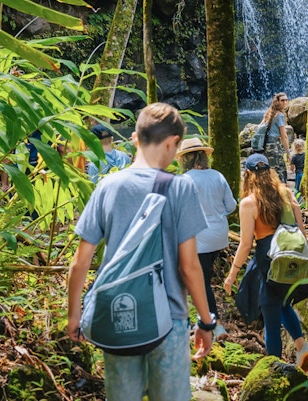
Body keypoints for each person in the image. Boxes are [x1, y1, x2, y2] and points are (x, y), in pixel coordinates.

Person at [67, 103, 214, 401]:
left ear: (135, 138)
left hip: (119, 314)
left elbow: (80, 262)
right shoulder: (180, 188)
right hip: (168, 320)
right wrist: (205, 320)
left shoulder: (107, 187)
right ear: (173, 143)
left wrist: (74, 314)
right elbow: (189, 266)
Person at [223, 153, 308, 371]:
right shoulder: (286, 194)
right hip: (291, 256)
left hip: (268, 259)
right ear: (270, 172)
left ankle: (274, 369)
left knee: (270, 313)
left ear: (247, 174)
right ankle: (302, 347)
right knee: (283, 303)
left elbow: (246, 244)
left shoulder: (248, 203)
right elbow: (301, 231)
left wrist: (232, 274)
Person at [176, 137, 237, 340]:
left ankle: (215, 324)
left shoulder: (185, 180)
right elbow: (231, 206)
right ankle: (201, 320)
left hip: (198, 238)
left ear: (186, 159)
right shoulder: (217, 176)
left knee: (200, 282)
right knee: (202, 278)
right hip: (218, 237)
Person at [259, 92, 291, 183]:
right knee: (279, 170)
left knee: (270, 170)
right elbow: (284, 136)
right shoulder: (280, 115)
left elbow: (260, 126)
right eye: (282, 100)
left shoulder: (269, 112)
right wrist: (288, 153)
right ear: (277, 102)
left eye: (286, 100)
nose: (285, 102)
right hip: (274, 146)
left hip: (266, 145)